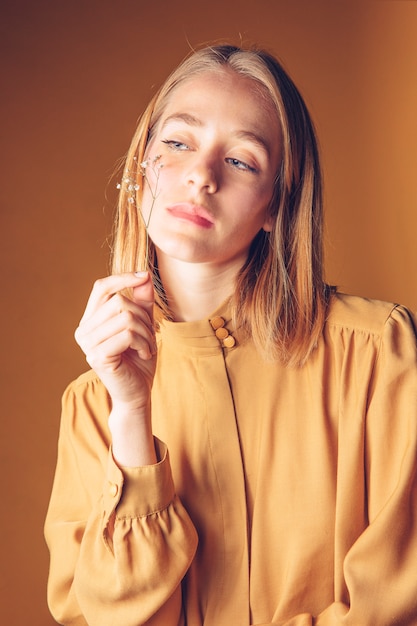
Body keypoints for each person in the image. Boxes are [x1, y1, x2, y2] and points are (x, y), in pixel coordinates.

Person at [44, 44, 417, 626]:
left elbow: (395, 603)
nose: (201, 174)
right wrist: (132, 412)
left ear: (278, 202)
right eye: (177, 143)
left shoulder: (378, 353)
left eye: (241, 161)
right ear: (143, 166)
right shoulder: (93, 406)